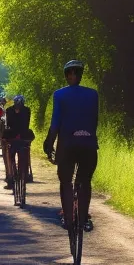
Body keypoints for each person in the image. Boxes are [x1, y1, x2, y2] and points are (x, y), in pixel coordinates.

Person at [43, 60, 98, 233]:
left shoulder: (60, 95)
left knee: (66, 181)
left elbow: (55, 123)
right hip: (88, 145)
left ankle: (68, 219)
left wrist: (48, 143)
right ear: (80, 76)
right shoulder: (93, 94)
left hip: (67, 145)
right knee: (85, 181)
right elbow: (94, 121)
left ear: (66, 76)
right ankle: (82, 219)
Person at [2, 95, 35, 188]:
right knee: (17, 155)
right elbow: (26, 124)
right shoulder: (26, 110)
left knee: (9, 155)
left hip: (14, 136)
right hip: (22, 135)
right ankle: (15, 175)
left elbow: (8, 124)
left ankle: (12, 176)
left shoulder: (9, 110)